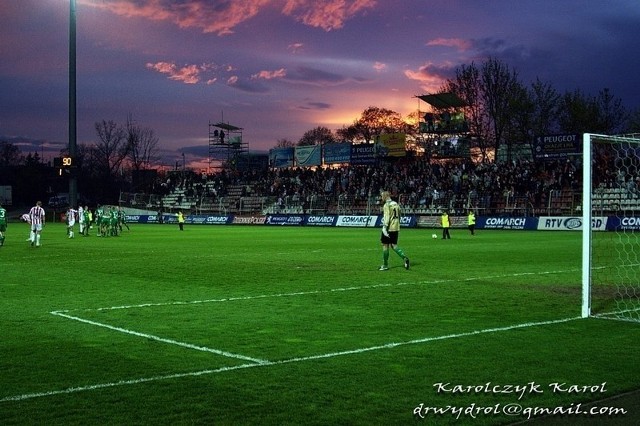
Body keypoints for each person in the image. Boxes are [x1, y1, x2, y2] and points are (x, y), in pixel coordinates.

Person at [379, 191, 410, 271]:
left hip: (389, 228)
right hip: (396, 227)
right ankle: (405, 258)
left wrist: (384, 228)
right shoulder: (396, 204)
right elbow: (399, 215)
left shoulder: (387, 205)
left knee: (385, 245)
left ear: (385, 196)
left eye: (382, 196)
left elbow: (387, 217)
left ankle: (385, 265)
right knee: (394, 245)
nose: (381, 198)